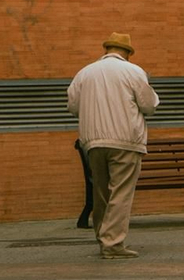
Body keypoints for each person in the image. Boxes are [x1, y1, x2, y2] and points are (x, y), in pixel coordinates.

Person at [67, 32, 159, 259]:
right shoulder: (133, 71)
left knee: (101, 193)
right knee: (121, 193)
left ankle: (103, 238)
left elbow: (73, 106)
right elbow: (148, 106)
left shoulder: (84, 73)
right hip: (126, 140)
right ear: (127, 53)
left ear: (107, 50)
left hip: (93, 142)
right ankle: (113, 244)